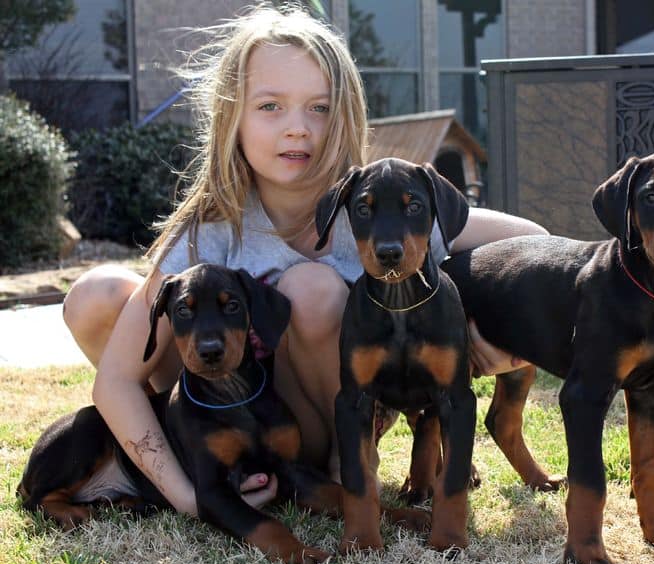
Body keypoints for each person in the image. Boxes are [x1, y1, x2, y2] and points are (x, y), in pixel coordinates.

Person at [63, 4, 547, 517]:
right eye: (271, 106)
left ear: (345, 115)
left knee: (311, 290)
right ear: (232, 116)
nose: (297, 128)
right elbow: (114, 380)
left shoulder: (376, 212)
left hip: (324, 424)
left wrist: (475, 326)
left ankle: (342, 474)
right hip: (226, 412)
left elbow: (530, 243)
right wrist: (189, 498)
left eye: (318, 108)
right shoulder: (211, 230)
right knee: (97, 296)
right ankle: (209, 461)